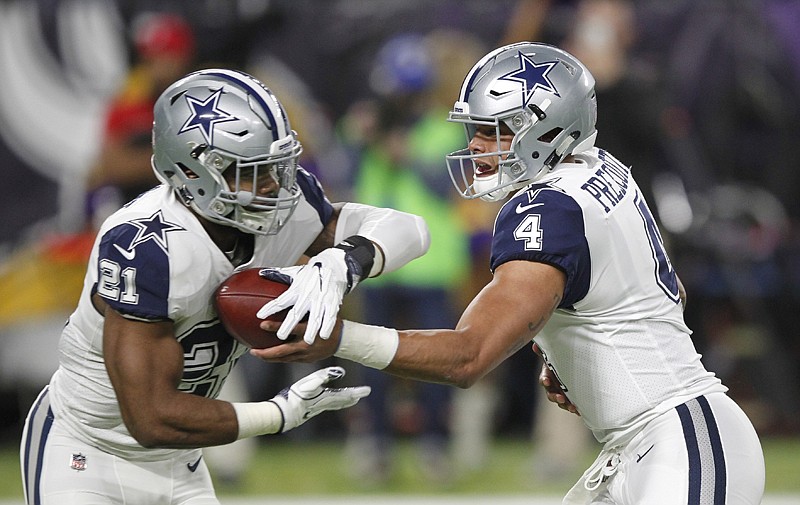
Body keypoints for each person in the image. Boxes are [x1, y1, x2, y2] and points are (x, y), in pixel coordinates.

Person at [254, 42, 766, 504]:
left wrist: (335, 335)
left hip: (679, 441)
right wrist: (566, 347)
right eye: (474, 130)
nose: (477, 146)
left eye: (494, 130)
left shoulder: (547, 207)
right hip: (658, 439)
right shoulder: (598, 168)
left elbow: (467, 357)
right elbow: (664, 289)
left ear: (546, 128)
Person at [20, 68, 431, 505]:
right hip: (87, 453)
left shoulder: (285, 208)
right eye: (250, 172)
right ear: (191, 172)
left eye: (276, 165)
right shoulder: (148, 244)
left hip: (179, 461)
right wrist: (279, 413)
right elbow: (149, 416)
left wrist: (343, 263)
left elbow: (411, 229)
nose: (274, 184)